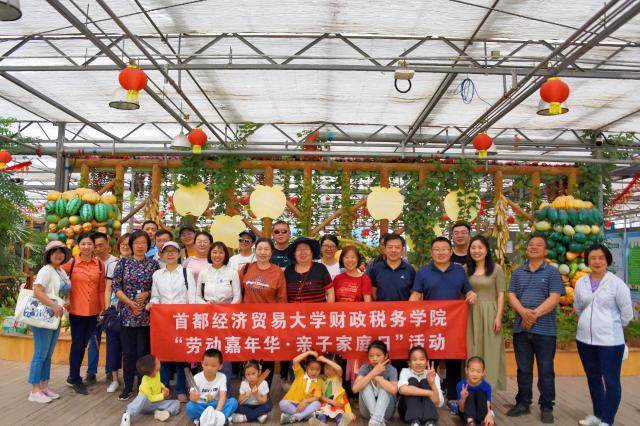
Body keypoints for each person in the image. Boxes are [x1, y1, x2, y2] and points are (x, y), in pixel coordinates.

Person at [410, 236, 477, 411]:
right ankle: (429, 396)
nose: (440, 253)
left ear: (450, 252)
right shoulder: (423, 271)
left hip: (453, 325)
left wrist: (471, 294)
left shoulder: (459, 271)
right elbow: (416, 295)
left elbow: (468, 290)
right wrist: (406, 312)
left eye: (444, 249)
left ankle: (453, 399)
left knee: (453, 362)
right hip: (430, 326)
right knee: (430, 362)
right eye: (437, 249)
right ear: (431, 253)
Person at [506, 235, 565, 424]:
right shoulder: (518, 273)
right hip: (521, 330)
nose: (534, 247)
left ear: (545, 251)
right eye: (531, 244)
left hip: (545, 331)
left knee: (546, 369)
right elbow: (512, 296)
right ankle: (523, 403)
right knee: (523, 369)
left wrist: (533, 315)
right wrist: (524, 313)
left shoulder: (552, 272)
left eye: (539, 245)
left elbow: (554, 298)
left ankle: (547, 406)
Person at [574, 244, 633, 426]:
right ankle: (597, 416)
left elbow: (627, 314)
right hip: (584, 340)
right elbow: (578, 307)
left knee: (611, 381)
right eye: (593, 258)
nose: (597, 261)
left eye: (601, 258)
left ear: (607, 260)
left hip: (610, 342)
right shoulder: (581, 282)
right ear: (587, 261)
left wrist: (609, 326)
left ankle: (607, 420)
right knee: (593, 379)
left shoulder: (617, 284)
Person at [112, 230, 161, 401]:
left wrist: (147, 293)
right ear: (131, 245)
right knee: (128, 352)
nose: (140, 246)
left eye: (143, 243)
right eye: (137, 243)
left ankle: (143, 386)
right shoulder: (123, 263)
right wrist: (130, 303)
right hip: (127, 314)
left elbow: (158, 288)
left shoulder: (153, 265)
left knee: (144, 352)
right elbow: (116, 288)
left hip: (147, 315)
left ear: (148, 245)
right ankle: (127, 387)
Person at [148, 241, 195, 402]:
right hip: (163, 321)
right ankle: (164, 388)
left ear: (178, 254)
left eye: (173, 251)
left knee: (181, 357)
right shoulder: (157, 275)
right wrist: (152, 303)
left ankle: (181, 389)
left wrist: (190, 319)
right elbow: (155, 296)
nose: (170, 254)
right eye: (166, 251)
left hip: (182, 320)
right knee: (163, 356)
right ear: (161, 255)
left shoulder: (186, 272)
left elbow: (191, 298)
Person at [27, 241, 71, 403]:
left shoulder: (60, 271)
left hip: (54, 316)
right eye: (54, 252)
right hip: (43, 316)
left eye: (61, 251)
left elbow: (64, 290)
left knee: (48, 354)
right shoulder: (46, 270)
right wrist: (54, 305)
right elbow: (37, 291)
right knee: (40, 353)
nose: (58, 254)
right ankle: (34, 390)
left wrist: (66, 301)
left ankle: (44, 386)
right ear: (48, 255)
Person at [239, 238, 288, 386]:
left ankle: (264, 390)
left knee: (268, 358)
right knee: (249, 357)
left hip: (268, 324)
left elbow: (282, 299)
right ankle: (249, 390)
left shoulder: (278, 272)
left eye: (266, 249)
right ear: (255, 251)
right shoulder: (246, 269)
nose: (262, 252)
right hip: (248, 322)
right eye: (260, 249)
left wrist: (279, 324)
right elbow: (239, 294)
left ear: (271, 252)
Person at [62, 232, 106, 395]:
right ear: (78, 246)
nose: (86, 247)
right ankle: (74, 378)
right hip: (76, 311)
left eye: (89, 244)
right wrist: (64, 299)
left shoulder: (99, 264)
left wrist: (103, 308)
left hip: (93, 311)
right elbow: (60, 282)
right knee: (78, 345)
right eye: (83, 244)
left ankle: (73, 376)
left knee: (86, 344)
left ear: (94, 246)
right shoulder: (71, 263)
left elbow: (101, 289)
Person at [197, 241, 241, 391]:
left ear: (225, 255)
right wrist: (206, 305)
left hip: (226, 320)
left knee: (225, 356)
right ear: (210, 254)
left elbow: (237, 297)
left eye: (221, 252)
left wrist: (227, 310)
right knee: (209, 354)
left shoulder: (232, 273)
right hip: (208, 319)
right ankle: (208, 390)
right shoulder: (204, 273)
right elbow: (197, 296)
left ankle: (225, 392)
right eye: (214, 252)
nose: (217, 255)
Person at [465, 235, 507, 391]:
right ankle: (470, 387)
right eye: (473, 247)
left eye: (480, 247)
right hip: (470, 313)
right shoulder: (465, 269)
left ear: (487, 250)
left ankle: (488, 388)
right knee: (471, 348)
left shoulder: (496, 269)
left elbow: (501, 294)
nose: (476, 251)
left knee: (490, 349)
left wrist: (498, 317)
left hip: (490, 312)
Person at [85, 232, 118, 387]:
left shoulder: (116, 262)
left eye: (101, 245)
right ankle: (91, 373)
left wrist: (108, 307)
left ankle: (111, 372)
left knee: (112, 341)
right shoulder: (90, 263)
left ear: (107, 244)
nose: (98, 248)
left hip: (111, 308)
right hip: (93, 307)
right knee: (94, 341)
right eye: (95, 246)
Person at [104, 233, 131, 393]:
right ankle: (114, 378)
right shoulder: (113, 265)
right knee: (113, 346)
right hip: (115, 310)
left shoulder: (138, 264)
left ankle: (130, 379)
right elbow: (108, 288)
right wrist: (107, 308)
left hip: (132, 311)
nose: (125, 246)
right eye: (122, 244)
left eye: (128, 244)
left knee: (129, 348)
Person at [119, 354, 181, 426]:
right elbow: (150, 398)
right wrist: (162, 395)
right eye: (157, 362)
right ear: (154, 369)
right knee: (143, 397)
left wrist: (163, 387)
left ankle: (165, 412)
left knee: (176, 402)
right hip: (144, 405)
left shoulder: (157, 373)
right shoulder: (145, 381)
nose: (159, 361)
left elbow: (158, 383)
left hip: (156, 403)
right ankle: (128, 413)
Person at [352, 340, 398, 426]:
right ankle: (377, 420)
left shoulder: (391, 369)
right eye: (371, 356)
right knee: (364, 384)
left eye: (378, 355)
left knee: (385, 385)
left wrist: (378, 378)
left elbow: (394, 390)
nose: (374, 358)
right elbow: (355, 389)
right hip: (367, 412)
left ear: (386, 356)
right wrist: (372, 373)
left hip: (386, 413)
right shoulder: (365, 368)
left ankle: (375, 421)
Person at [186, 349, 239, 423]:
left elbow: (223, 397)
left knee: (233, 402)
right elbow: (191, 398)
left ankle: (204, 420)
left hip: (216, 404)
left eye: (213, 366)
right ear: (202, 363)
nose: (209, 368)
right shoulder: (196, 378)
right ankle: (219, 419)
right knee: (189, 406)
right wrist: (193, 397)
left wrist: (216, 412)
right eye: (206, 365)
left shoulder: (222, 377)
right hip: (202, 405)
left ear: (220, 366)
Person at [397, 346, 443, 426]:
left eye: (422, 359)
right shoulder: (405, 371)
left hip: (426, 413)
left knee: (425, 382)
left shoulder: (433, 375)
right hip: (407, 412)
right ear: (409, 363)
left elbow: (438, 402)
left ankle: (429, 422)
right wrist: (429, 393)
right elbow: (403, 390)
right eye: (414, 360)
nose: (418, 362)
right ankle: (414, 421)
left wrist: (432, 383)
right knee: (413, 380)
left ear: (427, 362)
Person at [284, 237, 335, 303]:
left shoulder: (320, 268)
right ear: (294, 254)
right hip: (294, 310)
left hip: (318, 309)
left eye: (306, 249)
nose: (302, 252)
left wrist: (328, 308)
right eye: (299, 249)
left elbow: (330, 291)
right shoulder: (288, 270)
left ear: (312, 252)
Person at [279, 350, 324, 424]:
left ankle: (296, 417)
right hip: (293, 403)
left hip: (306, 405)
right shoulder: (300, 374)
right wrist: (309, 353)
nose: (314, 372)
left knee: (317, 404)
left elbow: (316, 397)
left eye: (317, 370)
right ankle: (305, 415)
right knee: (282, 403)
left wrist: (305, 401)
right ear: (306, 367)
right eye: (312, 369)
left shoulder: (319, 381)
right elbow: (295, 360)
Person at [309, 353, 354, 426]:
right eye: (327, 368)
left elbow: (339, 369)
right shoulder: (320, 378)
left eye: (333, 370)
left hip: (337, 402)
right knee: (321, 413)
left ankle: (341, 423)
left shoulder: (338, 377)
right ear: (323, 367)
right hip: (325, 401)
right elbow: (319, 395)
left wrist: (325, 359)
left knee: (339, 413)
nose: (330, 372)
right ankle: (321, 423)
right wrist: (330, 401)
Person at [368, 234, 415, 302]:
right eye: (390, 247)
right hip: (382, 308)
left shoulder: (409, 270)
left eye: (397, 247)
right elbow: (373, 291)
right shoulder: (376, 268)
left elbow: (414, 293)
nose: (393, 250)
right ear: (385, 249)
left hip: (403, 308)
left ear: (402, 250)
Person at [231, 360, 273, 424]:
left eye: (253, 373)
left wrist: (256, 394)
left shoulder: (264, 383)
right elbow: (239, 401)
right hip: (247, 406)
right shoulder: (243, 383)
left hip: (259, 406)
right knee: (235, 406)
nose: (251, 377)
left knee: (268, 405)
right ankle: (259, 415)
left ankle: (244, 418)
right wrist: (246, 395)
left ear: (259, 372)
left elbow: (264, 401)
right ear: (244, 374)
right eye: (247, 374)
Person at [456, 357, 495, 426]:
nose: (475, 374)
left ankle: (483, 421)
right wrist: (463, 398)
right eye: (472, 371)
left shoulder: (486, 386)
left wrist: (489, 415)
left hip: (481, 415)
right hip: (466, 415)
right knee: (469, 393)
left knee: (480, 393)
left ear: (483, 373)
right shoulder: (461, 385)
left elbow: (487, 404)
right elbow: (461, 409)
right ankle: (471, 422)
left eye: (478, 371)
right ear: (466, 370)